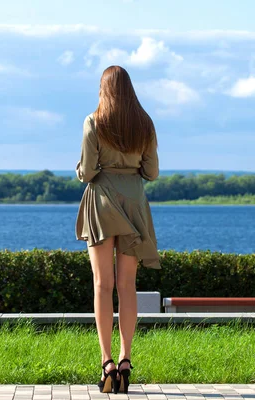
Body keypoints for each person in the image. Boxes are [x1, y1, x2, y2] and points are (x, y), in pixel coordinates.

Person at [75, 65, 161, 394]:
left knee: (102, 284)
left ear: (103, 88)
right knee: (127, 285)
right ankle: (126, 360)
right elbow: (151, 172)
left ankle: (106, 362)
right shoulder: (145, 124)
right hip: (134, 202)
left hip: (102, 201)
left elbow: (87, 172)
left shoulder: (94, 121)